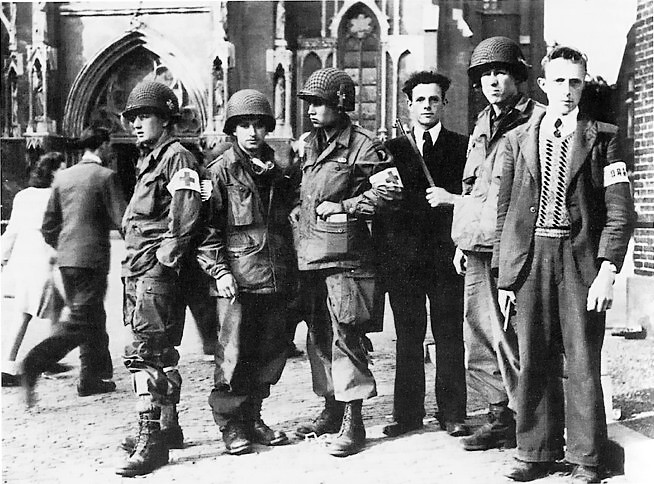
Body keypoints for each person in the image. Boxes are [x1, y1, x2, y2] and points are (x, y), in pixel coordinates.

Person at [494, 46, 636, 483]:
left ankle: (586, 457)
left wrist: (608, 270)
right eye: (559, 81)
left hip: (581, 263)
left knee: (581, 359)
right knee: (533, 357)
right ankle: (535, 451)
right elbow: (507, 213)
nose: (567, 90)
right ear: (543, 84)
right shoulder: (519, 139)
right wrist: (506, 275)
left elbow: (619, 211)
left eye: (575, 81)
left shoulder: (605, 137)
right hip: (532, 258)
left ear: (584, 82)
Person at [292, 67, 400, 457]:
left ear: (341, 103)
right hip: (312, 257)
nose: (312, 110)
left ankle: (354, 420)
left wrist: (345, 206)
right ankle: (332, 407)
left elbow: (391, 193)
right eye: (309, 103)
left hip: (348, 259)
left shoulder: (365, 146)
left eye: (319, 103)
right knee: (318, 336)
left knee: (347, 335)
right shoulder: (308, 146)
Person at [451, 36, 543, 451]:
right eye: (485, 74)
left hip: (517, 246)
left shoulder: (537, 122)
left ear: (518, 77)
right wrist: (462, 238)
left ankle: (533, 421)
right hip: (476, 246)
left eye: (500, 72)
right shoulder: (482, 124)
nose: (492, 81)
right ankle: (498, 416)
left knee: (517, 335)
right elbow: (473, 188)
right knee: (480, 335)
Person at [195, 89, 296, 455]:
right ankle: (231, 426)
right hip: (236, 279)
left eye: (258, 124)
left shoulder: (279, 170)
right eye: (244, 125)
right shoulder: (219, 172)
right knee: (233, 356)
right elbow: (205, 230)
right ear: (233, 129)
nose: (252, 132)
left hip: (276, 275)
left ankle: (254, 417)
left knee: (269, 353)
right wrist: (219, 271)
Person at [116, 81, 202, 477]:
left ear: (166, 118)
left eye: (144, 116)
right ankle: (168, 426)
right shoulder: (150, 158)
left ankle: (151, 439)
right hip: (138, 269)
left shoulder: (177, 157)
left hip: (154, 271)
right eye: (132, 117)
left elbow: (186, 211)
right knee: (160, 352)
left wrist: (166, 257)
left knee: (144, 353)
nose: (136, 123)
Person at [377, 71, 469, 438]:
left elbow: (471, 200)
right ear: (409, 105)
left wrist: (451, 201)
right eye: (420, 100)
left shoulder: (462, 146)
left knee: (449, 335)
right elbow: (382, 205)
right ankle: (407, 414)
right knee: (408, 336)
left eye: (434, 100)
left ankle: (453, 414)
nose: (427, 106)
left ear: (444, 104)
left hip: (446, 258)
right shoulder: (392, 150)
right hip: (405, 260)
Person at [21, 128, 126, 405]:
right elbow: (123, 220)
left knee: (91, 315)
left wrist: (67, 245)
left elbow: (48, 226)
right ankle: (33, 363)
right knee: (81, 321)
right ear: (102, 146)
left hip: (68, 261)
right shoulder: (106, 177)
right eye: (110, 145)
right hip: (92, 260)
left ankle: (91, 378)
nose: (111, 151)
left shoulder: (63, 178)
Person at [1, 152, 67, 387]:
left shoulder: (23, 196)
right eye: (62, 168)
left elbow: (12, 231)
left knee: (34, 308)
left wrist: (3, 257)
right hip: (44, 256)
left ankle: (20, 361)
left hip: (24, 256)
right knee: (43, 308)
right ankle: (18, 364)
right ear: (52, 172)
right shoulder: (56, 195)